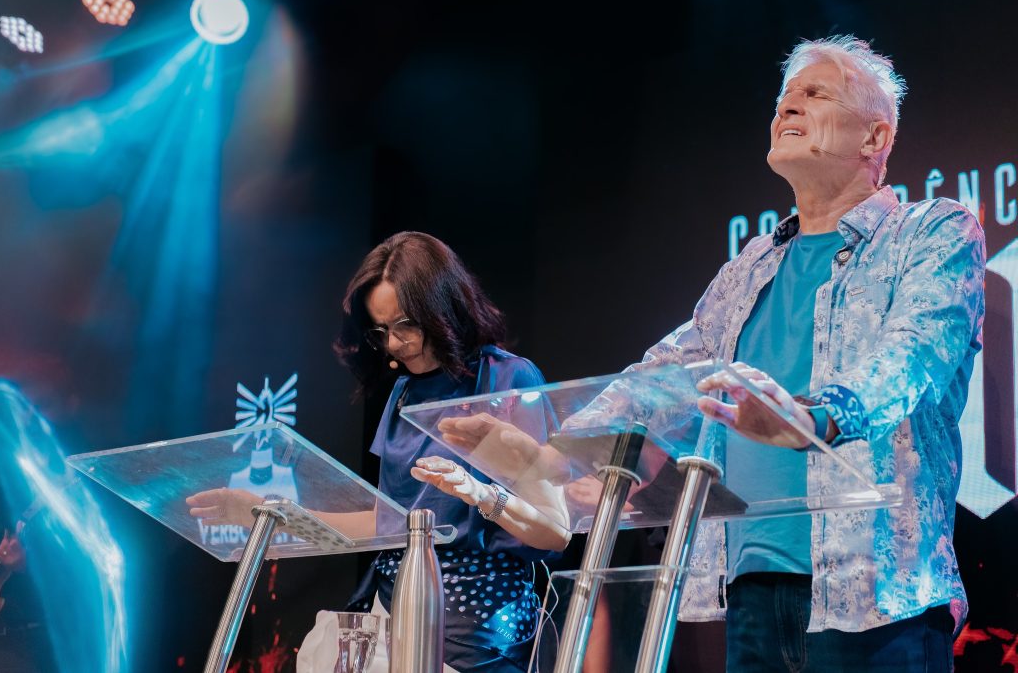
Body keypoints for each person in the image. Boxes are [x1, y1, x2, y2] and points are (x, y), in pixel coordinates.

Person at [521, 35, 982, 671]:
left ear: (875, 139)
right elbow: (662, 376)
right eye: (784, 97)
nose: (787, 108)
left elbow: (915, 355)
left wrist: (812, 418)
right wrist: (553, 452)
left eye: (814, 94)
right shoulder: (748, 268)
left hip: (877, 597)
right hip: (752, 589)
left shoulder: (932, 231)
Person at [190, 231, 569, 672]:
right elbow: (384, 523)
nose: (394, 345)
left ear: (444, 308)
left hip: (478, 629)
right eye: (382, 331)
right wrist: (272, 515)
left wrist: (479, 494)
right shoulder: (403, 392)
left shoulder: (509, 379)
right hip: (393, 612)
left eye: (406, 324)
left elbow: (553, 532)